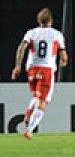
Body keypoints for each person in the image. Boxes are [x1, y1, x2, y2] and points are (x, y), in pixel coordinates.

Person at [10, 8, 68, 140]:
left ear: (39, 20)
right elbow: (63, 54)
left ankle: (28, 113)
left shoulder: (31, 33)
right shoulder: (56, 34)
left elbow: (22, 48)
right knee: (44, 101)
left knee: (37, 96)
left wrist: (17, 66)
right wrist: (64, 60)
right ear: (51, 21)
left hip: (31, 69)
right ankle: (30, 130)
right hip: (46, 69)